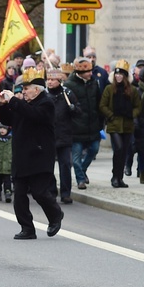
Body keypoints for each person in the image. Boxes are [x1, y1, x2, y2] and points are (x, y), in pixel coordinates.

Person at [0, 68, 63, 240]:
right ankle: (27, 228)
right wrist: (3, 104)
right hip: (21, 156)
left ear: (37, 89)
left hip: (39, 155)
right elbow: (6, 120)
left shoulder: (46, 103)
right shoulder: (22, 104)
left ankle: (55, 215)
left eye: (26, 88)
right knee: (19, 195)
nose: (23, 91)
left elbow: (33, 114)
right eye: (22, 88)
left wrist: (14, 101)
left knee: (39, 192)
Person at [99, 59, 140, 188]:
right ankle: (115, 175)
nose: (118, 76)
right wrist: (110, 115)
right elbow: (102, 105)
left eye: (121, 74)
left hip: (127, 125)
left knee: (125, 151)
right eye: (116, 74)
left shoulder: (132, 90)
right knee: (119, 148)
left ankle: (120, 177)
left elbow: (138, 106)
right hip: (114, 124)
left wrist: (131, 114)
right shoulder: (109, 89)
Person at [64, 56, 103, 189]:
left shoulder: (94, 83)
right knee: (76, 157)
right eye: (87, 72)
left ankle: (83, 170)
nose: (90, 74)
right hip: (77, 126)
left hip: (93, 125)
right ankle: (80, 179)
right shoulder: (69, 85)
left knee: (94, 150)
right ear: (80, 73)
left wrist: (100, 120)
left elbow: (99, 102)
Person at [46, 67, 79, 203]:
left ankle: (66, 193)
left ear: (59, 80)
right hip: (49, 135)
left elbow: (78, 111)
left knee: (65, 165)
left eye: (53, 79)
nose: (50, 82)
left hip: (64, 135)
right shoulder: (45, 95)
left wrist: (73, 108)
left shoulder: (67, 94)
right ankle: (51, 191)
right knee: (48, 166)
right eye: (48, 79)